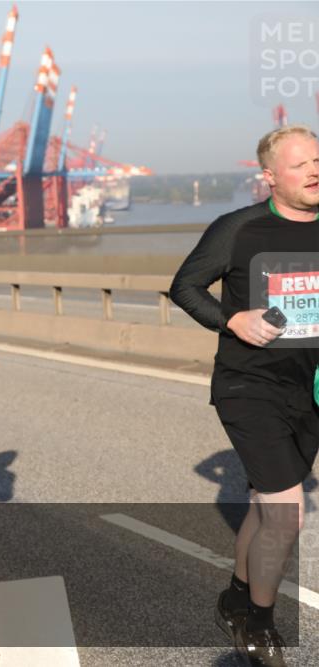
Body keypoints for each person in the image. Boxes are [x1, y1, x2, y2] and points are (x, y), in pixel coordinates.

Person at [170, 124, 319, 667]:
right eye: (300, 164)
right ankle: (259, 624)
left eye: (318, 160)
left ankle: (235, 598)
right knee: (286, 513)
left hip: (310, 389)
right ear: (270, 177)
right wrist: (232, 318)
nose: (314, 171)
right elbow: (186, 286)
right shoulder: (239, 228)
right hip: (248, 386)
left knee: (264, 504)